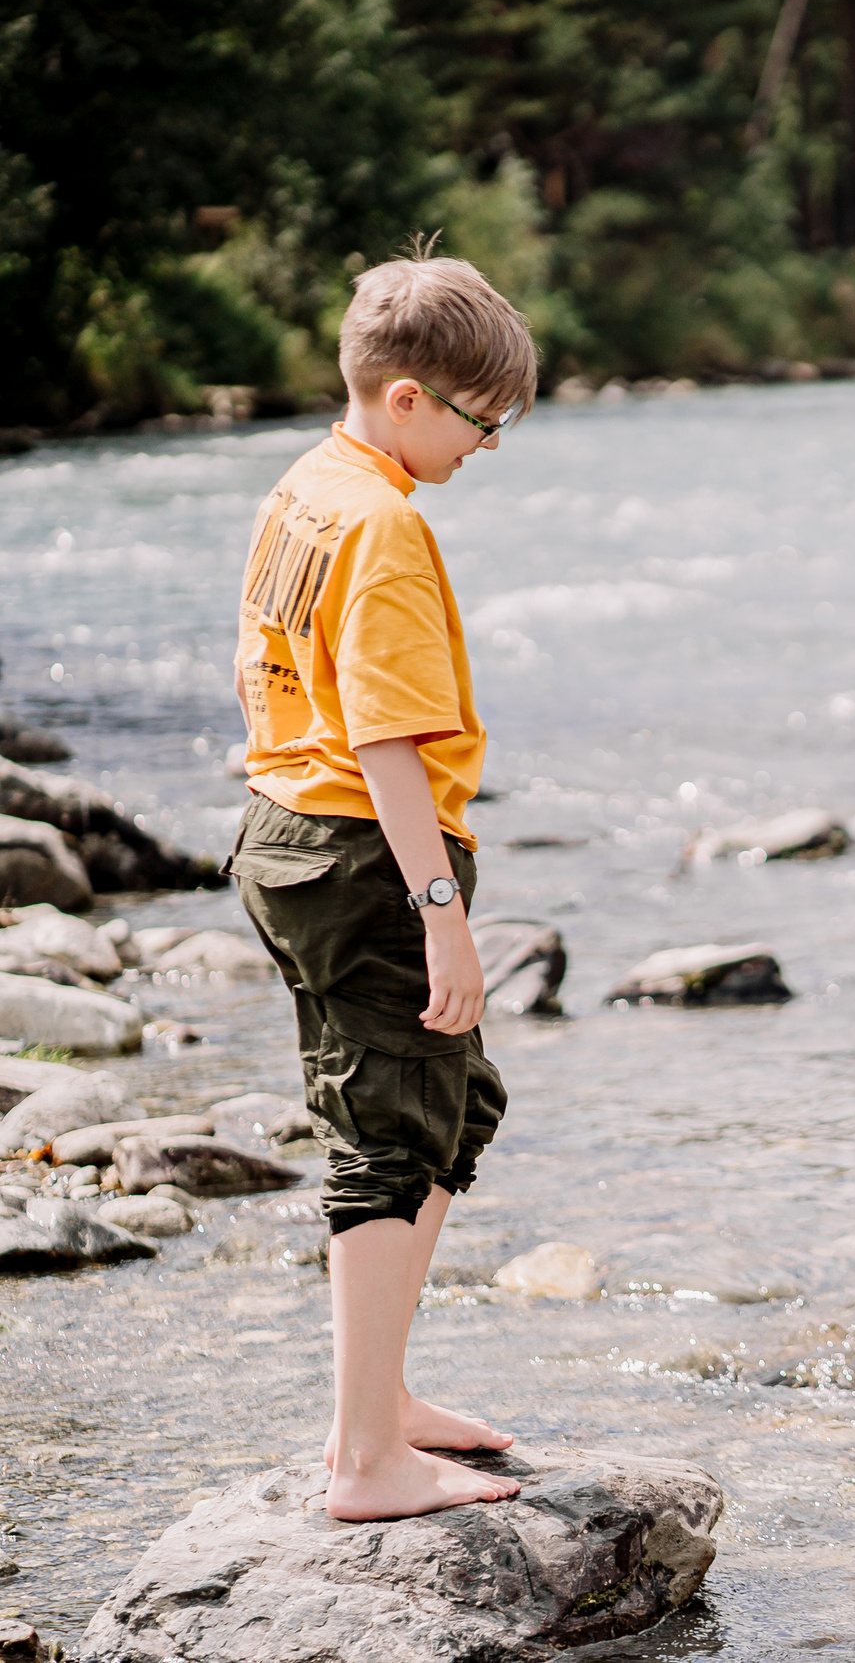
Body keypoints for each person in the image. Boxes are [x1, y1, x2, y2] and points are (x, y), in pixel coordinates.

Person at [229, 246, 537, 1520]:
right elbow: (388, 742)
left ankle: (384, 1398)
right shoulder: (386, 526)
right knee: (389, 1138)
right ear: (406, 397)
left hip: (286, 834)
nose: (488, 446)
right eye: (481, 421)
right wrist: (441, 915)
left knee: (451, 1108)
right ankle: (364, 1459)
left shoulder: (307, 484)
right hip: (366, 854)